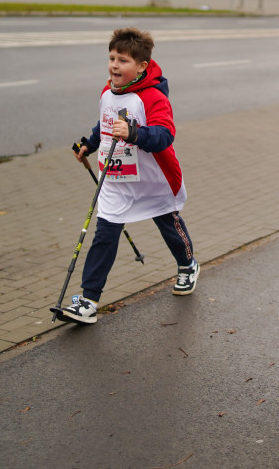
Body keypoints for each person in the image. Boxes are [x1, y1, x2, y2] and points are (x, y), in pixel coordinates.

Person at [59, 27, 200, 324]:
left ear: (141, 66)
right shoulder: (107, 91)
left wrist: (136, 133)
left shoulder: (152, 97)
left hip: (153, 179)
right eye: (111, 58)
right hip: (117, 178)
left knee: (168, 224)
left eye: (122, 60)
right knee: (105, 233)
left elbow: (165, 135)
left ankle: (188, 266)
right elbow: (105, 123)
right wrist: (89, 143)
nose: (113, 65)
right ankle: (88, 299)